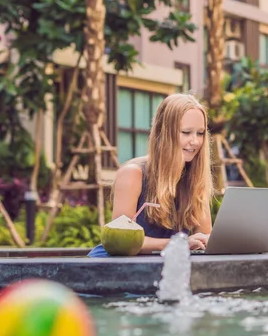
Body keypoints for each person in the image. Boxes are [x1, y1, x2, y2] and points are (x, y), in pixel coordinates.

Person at [88, 94, 213, 257]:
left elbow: (204, 237)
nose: (195, 141)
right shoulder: (133, 174)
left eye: (200, 133)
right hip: (115, 268)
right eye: (186, 132)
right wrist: (178, 243)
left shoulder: (194, 179)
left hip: (157, 267)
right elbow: (119, 240)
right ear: (165, 133)